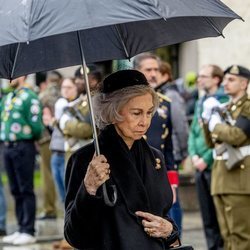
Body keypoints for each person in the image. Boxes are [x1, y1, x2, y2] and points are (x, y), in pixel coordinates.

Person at [64, 70, 180, 250]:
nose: (145, 122)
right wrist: (89, 189)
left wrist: (170, 229)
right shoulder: (86, 159)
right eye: (136, 113)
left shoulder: (155, 158)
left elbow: (161, 215)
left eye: (149, 112)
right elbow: (74, 235)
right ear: (112, 113)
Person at [202, 65, 250, 250]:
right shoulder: (223, 108)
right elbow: (210, 143)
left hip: (239, 178)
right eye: (225, 79)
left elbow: (237, 136)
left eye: (231, 80)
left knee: (241, 236)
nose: (225, 83)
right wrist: (207, 120)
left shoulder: (247, 106)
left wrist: (215, 125)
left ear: (244, 83)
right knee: (227, 236)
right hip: (221, 176)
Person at [133, 53, 181, 234]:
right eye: (148, 70)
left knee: (169, 226)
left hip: (158, 174)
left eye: (156, 70)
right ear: (137, 71)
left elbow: (167, 147)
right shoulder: (126, 103)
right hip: (136, 173)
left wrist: (173, 183)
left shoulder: (164, 104)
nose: (153, 74)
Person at [0, 76, 43, 245]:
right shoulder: (10, 96)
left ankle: (28, 230)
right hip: (7, 146)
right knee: (15, 189)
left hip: (24, 145)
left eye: (15, 75)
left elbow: (37, 126)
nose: (11, 78)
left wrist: (28, 135)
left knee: (26, 188)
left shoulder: (30, 97)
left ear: (24, 76)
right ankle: (20, 227)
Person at [188, 64, 227, 250]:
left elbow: (221, 138)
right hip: (199, 164)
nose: (199, 79)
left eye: (203, 76)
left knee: (220, 215)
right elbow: (194, 132)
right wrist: (194, 155)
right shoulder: (200, 101)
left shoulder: (224, 99)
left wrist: (205, 158)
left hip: (214, 164)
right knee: (206, 215)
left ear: (216, 79)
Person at [37, 70, 63, 220]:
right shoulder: (62, 93)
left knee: (47, 174)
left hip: (46, 139)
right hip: (59, 138)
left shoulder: (43, 95)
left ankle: (49, 209)